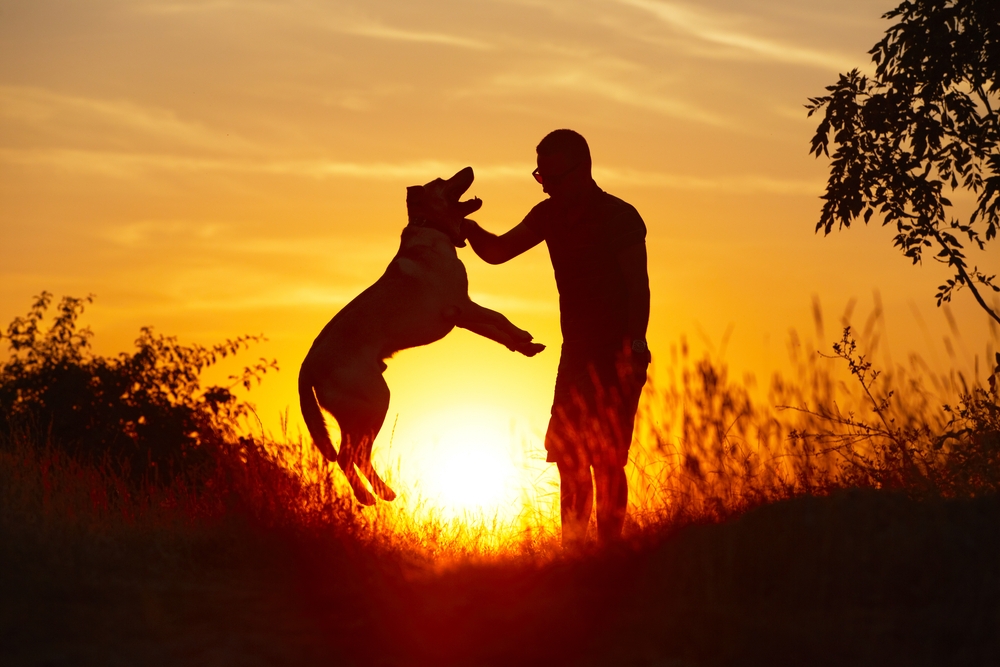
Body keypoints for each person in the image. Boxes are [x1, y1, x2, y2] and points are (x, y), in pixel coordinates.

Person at [462, 129, 650, 546]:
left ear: (581, 171)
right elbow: (496, 251)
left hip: (618, 355)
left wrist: (635, 348)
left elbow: (639, 289)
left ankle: (609, 554)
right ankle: (575, 551)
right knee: (568, 458)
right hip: (575, 355)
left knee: (607, 461)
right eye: (540, 176)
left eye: (552, 176)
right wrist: (465, 227)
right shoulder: (548, 216)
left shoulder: (620, 218)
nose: (545, 184)